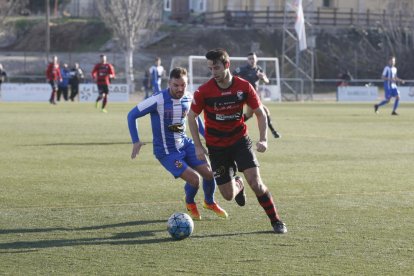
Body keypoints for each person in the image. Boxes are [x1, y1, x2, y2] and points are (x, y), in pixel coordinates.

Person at [187, 48, 287, 234]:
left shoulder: (244, 86)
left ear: (227, 65)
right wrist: (198, 146)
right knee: (228, 196)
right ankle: (238, 184)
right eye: (210, 68)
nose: (213, 72)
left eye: (216, 67)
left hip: (240, 141)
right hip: (216, 148)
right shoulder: (204, 91)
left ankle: (277, 221)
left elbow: (260, 113)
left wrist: (264, 139)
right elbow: (191, 117)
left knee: (256, 183)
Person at [127, 67, 227, 221]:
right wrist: (136, 141)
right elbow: (131, 115)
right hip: (167, 152)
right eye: (176, 85)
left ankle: (209, 202)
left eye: (183, 85)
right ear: (169, 83)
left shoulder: (188, 97)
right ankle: (190, 202)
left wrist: (208, 137)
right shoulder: (157, 99)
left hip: (185, 144)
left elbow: (195, 118)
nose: (180, 89)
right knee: (195, 179)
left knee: (209, 173)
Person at [233, 52, 281, 138]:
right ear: (247, 60)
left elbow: (267, 81)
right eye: (250, 59)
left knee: (249, 115)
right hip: (246, 95)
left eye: (253, 59)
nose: (252, 60)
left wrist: (262, 77)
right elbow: (232, 76)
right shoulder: (242, 69)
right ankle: (274, 132)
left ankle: (232, 126)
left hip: (254, 96)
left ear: (256, 59)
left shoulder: (259, 69)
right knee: (265, 111)